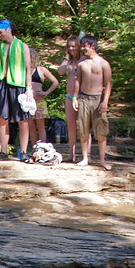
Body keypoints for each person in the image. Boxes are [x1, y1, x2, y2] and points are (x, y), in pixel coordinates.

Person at [0, 19, 31, 161]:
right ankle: (3, 151)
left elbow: (29, 69)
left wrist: (29, 89)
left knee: (22, 120)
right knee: (2, 118)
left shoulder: (22, 46)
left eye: (0, 32)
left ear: (8, 30)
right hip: (3, 84)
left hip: (19, 84)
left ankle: (23, 152)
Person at [72, 35, 112, 171]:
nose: (82, 49)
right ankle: (84, 158)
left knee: (101, 131)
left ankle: (102, 160)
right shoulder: (81, 63)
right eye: (81, 46)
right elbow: (78, 81)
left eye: (85, 46)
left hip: (98, 99)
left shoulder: (103, 63)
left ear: (93, 46)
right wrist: (74, 97)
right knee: (82, 129)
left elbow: (108, 84)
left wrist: (105, 102)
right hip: (83, 98)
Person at [57, 35, 88, 162]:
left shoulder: (83, 60)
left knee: (84, 126)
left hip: (82, 95)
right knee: (71, 126)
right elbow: (60, 71)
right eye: (69, 46)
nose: (71, 48)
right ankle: (71, 153)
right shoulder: (68, 61)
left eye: (73, 46)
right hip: (69, 96)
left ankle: (87, 155)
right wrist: (66, 57)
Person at [28, 48, 59, 147]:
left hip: (39, 101)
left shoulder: (41, 69)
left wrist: (45, 92)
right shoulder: (23, 70)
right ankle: (34, 149)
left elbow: (55, 82)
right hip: (28, 102)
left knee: (41, 126)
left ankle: (42, 148)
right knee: (31, 127)